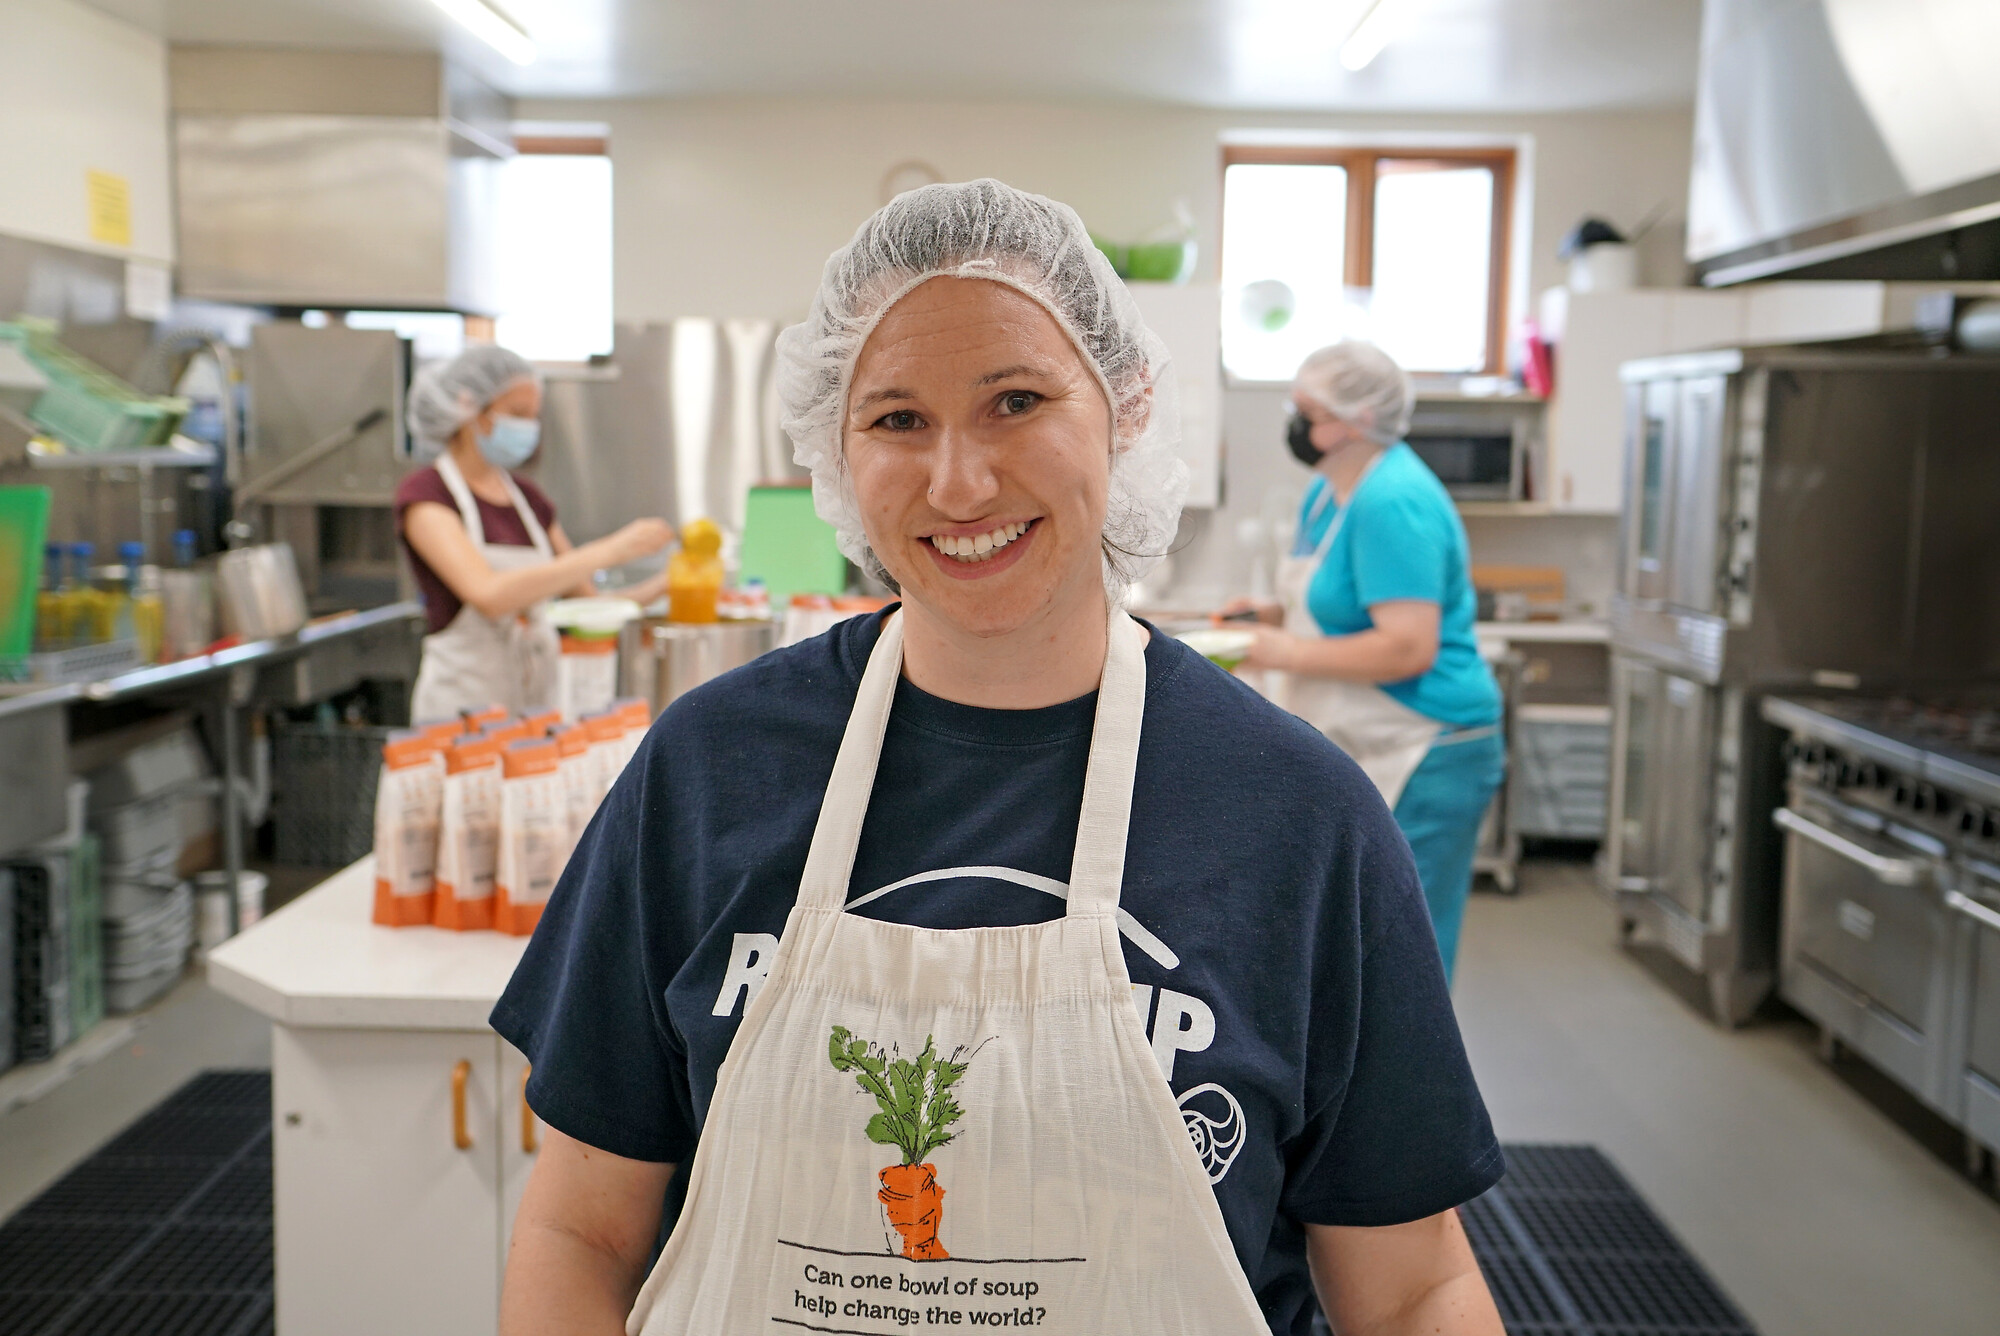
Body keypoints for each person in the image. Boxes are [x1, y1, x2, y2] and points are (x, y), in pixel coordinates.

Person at [492, 180, 1504, 1336]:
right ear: (835, 445)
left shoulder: (1298, 816)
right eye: (895, 419)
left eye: (1015, 399)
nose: (957, 482)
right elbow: (581, 1229)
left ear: (1121, 410)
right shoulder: (708, 770)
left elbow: (1414, 1288)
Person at [1220, 341, 1505, 983]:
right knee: (1357, 938)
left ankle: (1413, 1082)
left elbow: (1407, 647)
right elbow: (1341, 604)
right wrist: (1267, 615)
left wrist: (1283, 650)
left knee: (1406, 950)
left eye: (1307, 410)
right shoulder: (1331, 492)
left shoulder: (1393, 500)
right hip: (1369, 738)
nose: (1295, 423)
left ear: (1355, 419)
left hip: (1427, 743)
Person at [395, 345, 674, 720]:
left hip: (534, 712)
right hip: (459, 713)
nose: (528, 427)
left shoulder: (527, 499)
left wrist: (669, 582)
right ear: (467, 409)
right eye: (516, 414)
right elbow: (489, 595)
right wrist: (609, 550)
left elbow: (591, 606)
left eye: (533, 416)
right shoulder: (427, 495)